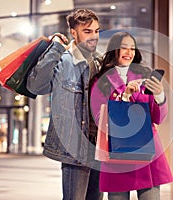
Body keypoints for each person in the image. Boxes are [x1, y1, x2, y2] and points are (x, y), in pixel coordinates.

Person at [27, 8, 103, 200]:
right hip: (75, 148)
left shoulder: (101, 62)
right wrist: (55, 48)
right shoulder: (63, 60)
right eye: (88, 31)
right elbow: (36, 86)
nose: (94, 36)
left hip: (100, 148)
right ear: (73, 32)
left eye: (96, 31)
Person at [90, 31, 173, 200]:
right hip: (116, 153)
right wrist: (124, 97)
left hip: (147, 150)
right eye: (124, 48)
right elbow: (100, 119)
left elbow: (158, 118)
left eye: (132, 48)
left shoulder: (145, 75)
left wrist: (160, 96)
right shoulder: (102, 81)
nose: (129, 52)